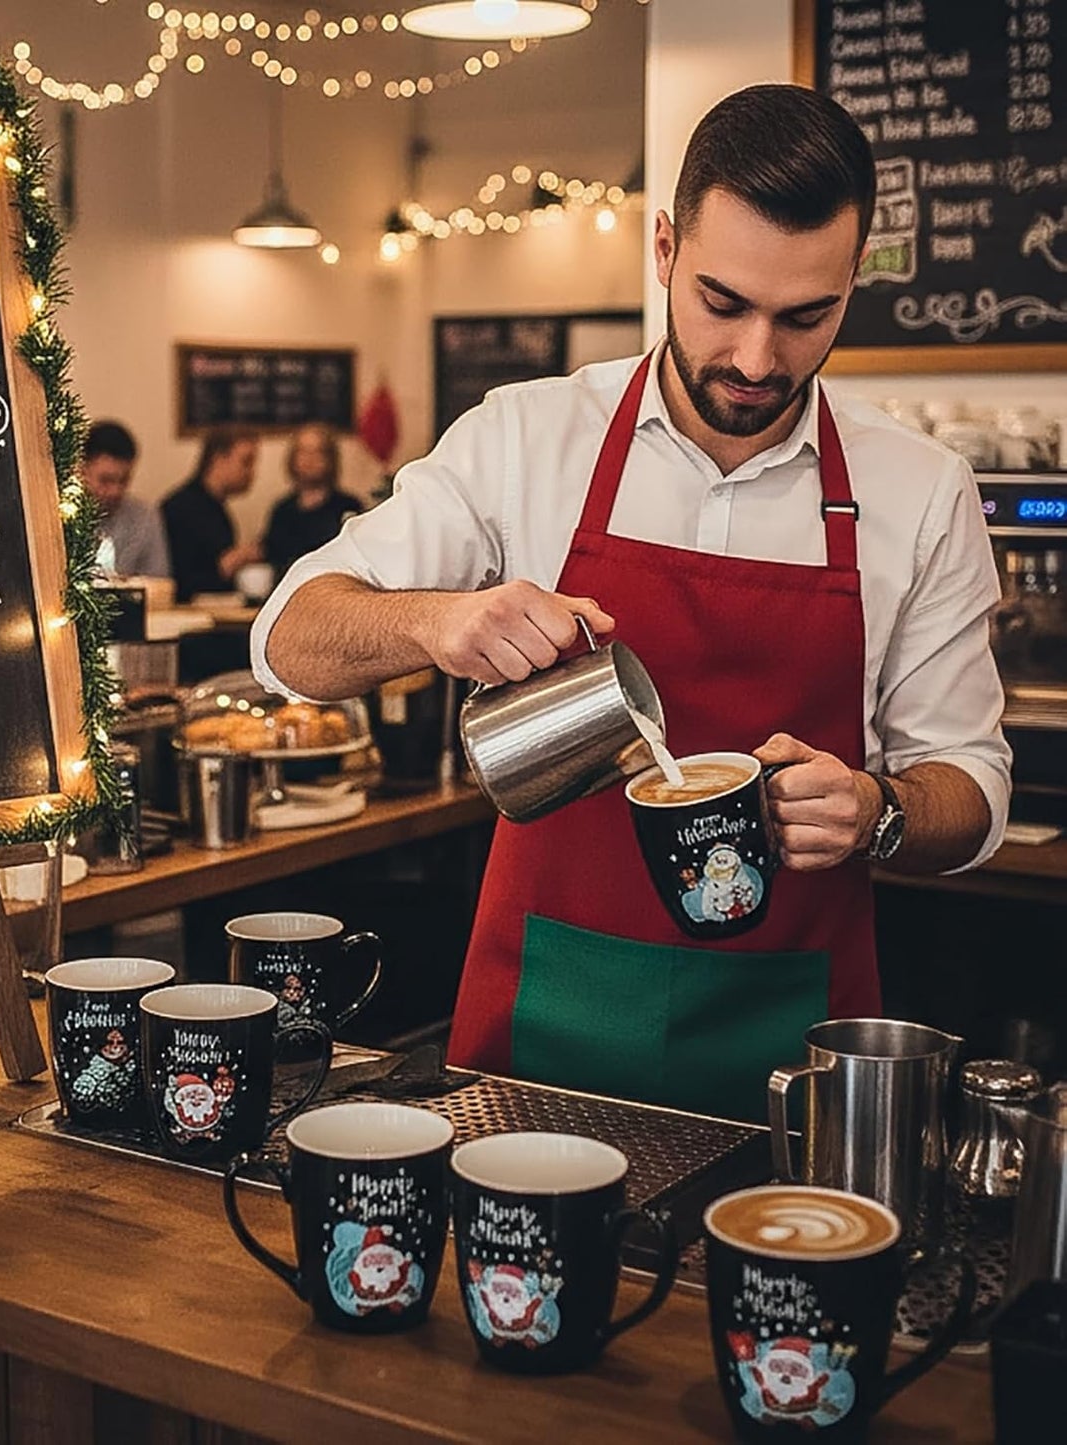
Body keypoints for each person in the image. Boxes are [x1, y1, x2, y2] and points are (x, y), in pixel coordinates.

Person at [250, 84, 1011, 1122]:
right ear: (662, 249)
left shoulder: (917, 487)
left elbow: (969, 786)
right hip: (544, 1002)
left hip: (790, 1035)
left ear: (853, 279)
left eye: (804, 317)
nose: (754, 359)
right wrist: (436, 621)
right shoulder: (526, 436)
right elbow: (288, 634)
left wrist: (879, 810)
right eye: (721, 302)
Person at [162, 425, 262, 602]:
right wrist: (228, 564)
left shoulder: (219, 509)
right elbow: (178, 581)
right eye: (246, 462)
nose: (252, 473)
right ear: (218, 459)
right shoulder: (179, 509)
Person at [263, 424, 365, 578]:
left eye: (318, 452)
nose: (310, 459)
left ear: (331, 459)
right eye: (303, 452)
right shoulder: (282, 511)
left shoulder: (348, 507)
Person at [80, 420, 170, 578]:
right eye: (106, 480)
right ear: (82, 470)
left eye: (124, 481)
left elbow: (157, 580)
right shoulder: (61, 515)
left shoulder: (144, 517)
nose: (115, 490)